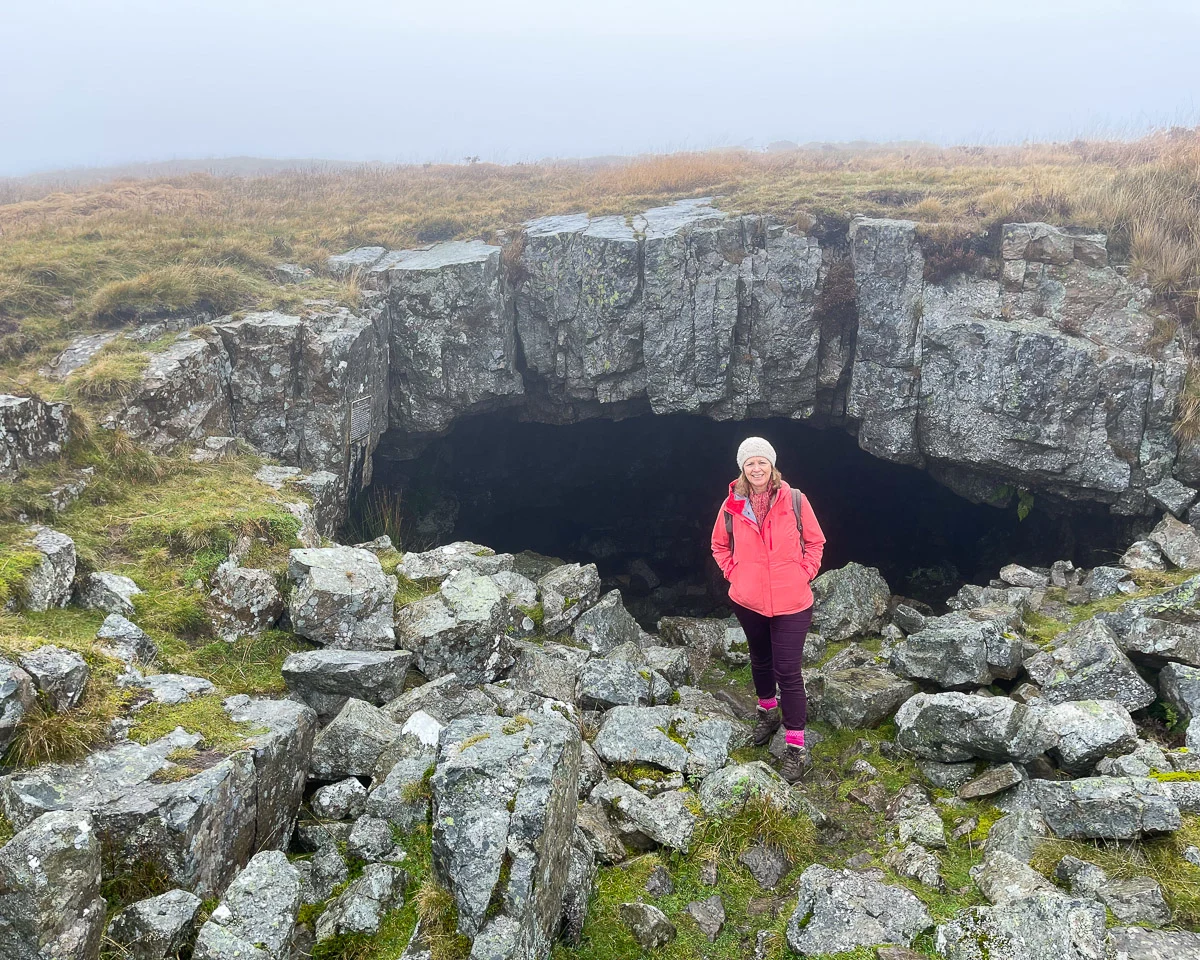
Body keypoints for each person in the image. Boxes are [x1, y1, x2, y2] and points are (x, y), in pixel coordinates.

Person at [710, 437, 826, 783]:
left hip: (792, 601)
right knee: (760, 659)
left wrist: (804, 573)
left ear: (772, 465)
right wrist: (735, 573)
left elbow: (815, 541)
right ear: (742, 468)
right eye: (750, 463)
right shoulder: (731, 504)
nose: (756, 468)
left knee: (788, 672)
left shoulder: (795, 499)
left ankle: (795, 748)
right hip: (749, 600)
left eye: (762, 461)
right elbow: (719, 545)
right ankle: (767, 712)